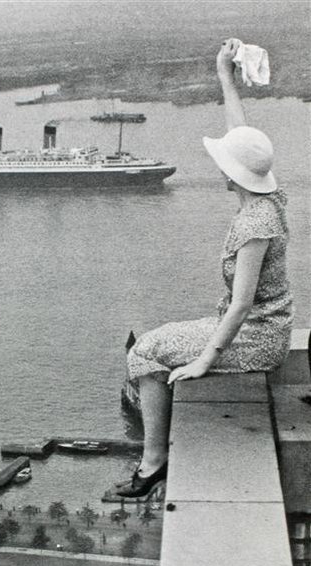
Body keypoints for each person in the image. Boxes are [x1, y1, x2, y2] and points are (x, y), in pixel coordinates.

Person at [117, 38, 293, 499]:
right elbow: (242, 133)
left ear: (230, 174)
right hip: (264, 325)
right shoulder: (268, 197)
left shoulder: (256, 221)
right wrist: (224, 76)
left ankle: (154, 462)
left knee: (144, 353)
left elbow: (240, 306)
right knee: (155, 341)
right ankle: (155, 457)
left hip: (255, 336)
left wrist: (203, 361)